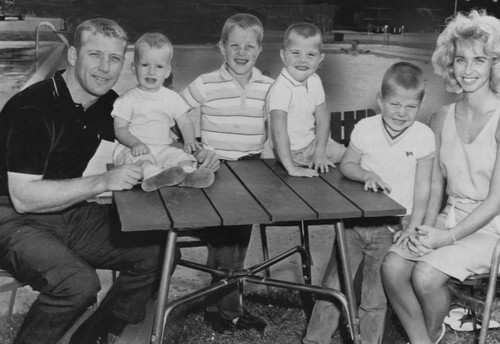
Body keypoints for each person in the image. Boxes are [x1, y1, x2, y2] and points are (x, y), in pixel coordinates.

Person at [0, 18, 219, 344]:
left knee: (159, 252)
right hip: (11, 218)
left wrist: (194, 154)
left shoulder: (108, 104)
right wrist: (103, 181)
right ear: (73, 56)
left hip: (68, 211)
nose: (105, 68)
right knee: (78, 283)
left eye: (114, 58)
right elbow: (23, 197)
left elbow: (154, 143)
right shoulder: (33, 108)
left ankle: (94, 336)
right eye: (95, 55)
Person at [381, 10, 500, 344]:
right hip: (450, 217)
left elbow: (495, 202)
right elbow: (435, 185)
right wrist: (422, 227)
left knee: (425, 274)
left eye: (480, 60)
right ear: (450, 63)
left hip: (494, 230)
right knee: (393, 265)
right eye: (460, 59)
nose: (468, 70)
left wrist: (443, 239)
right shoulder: (441, 116)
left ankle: (431, 332)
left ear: (495, 63)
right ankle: (423, 340)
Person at [303, 62, 435, 344]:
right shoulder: (366, 127)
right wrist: (367, 174)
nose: (402, 113)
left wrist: (413, 225)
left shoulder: (424, 136)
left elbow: (423, 187)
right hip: (354, 222)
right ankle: (315, 339)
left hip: (390, 228)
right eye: (395, 104)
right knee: (333, 284)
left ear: (420, 105)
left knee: (374, 296)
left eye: (411, 107)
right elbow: (348, 164)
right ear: (380, 100)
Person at [181, 13, 273, 335]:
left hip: (251, 174)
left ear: (260, 49)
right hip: (216, 173)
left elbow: (290, 123)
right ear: (222, 47)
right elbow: (174, 114)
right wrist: (192, 146)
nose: (241, 52)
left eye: (249, 45)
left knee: (238, 243)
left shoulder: (270, 87)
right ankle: (228, 311)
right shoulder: (205, 83)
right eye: (234, 44)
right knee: (224, 243)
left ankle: (217, 305)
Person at [112, 32, 214, 191]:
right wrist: (135, 143)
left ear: (167, 71)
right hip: (133, 149)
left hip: (162, 149)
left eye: (159, 67)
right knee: (140, 159)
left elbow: (185, 122)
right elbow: (119, 128)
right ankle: (151, 175)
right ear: (134, 68)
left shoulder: (171, 97)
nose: (151, 72)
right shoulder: (128, 99)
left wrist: (189, 141)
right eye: (145, 65)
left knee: (180, 156)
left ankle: (188, 174)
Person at [265, 22, 346, 177]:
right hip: (292, 152)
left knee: (355, 157)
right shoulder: (282, 89)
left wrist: (320, 152)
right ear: (283, 55)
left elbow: (323, 118)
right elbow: (278, 132)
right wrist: (291, 168)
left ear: (320, 58)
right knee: (351, 159)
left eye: (311, 55)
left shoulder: (314, 80)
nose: (303, 60)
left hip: (312, 143)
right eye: (296, 53)